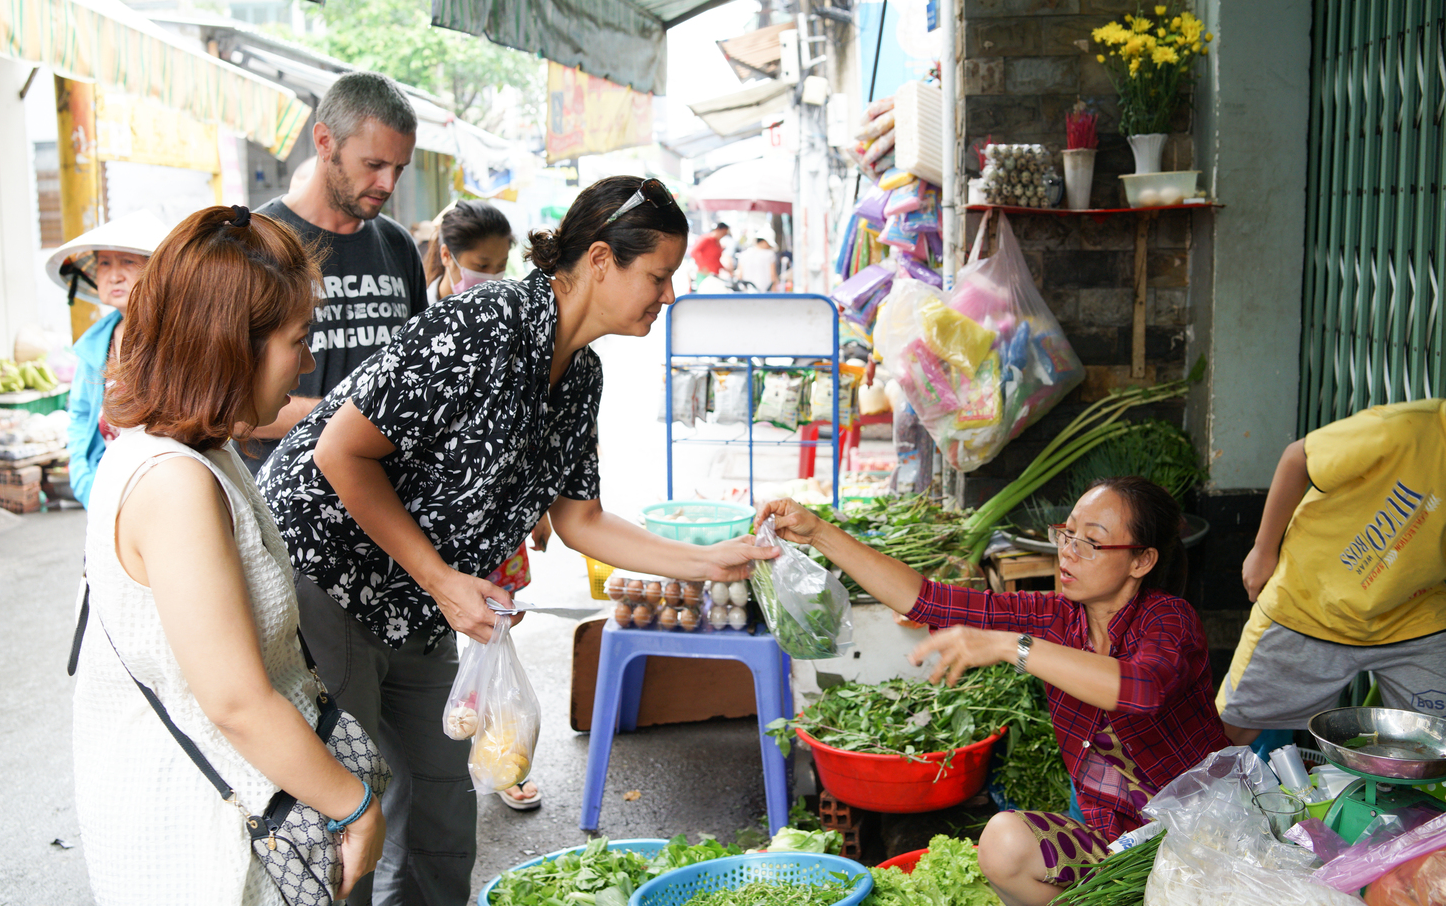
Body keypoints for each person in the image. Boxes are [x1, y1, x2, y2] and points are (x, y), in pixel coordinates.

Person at [258, 176, 779, 906]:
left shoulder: (580, 375)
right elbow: (339, 453)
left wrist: (707, 562)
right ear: (600, 260)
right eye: (658, 277)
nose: (667, 297)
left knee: (445, 801)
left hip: (421, 598)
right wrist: (443, 577)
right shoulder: (485, 322)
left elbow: (580, 520)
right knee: (350, 805)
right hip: (327, 576)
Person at [72, 206, 384, 905]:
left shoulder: (199, 448)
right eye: (298, 341)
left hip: (233, 804)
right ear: (229, 347)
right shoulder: (174, 482)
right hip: (195, 839)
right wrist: (355, 805)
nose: (306, 362)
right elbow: (236, 699)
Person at [759, 477, 1228, 906]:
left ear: (1141, 560)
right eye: (1067, 534)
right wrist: (818, 531)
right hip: (1115, 844)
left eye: (1092, 542)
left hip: (1207, 840)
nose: (1068, 553)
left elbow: (1140, 690)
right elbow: (926, 599)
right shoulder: (1058, 617)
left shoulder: (1168, 619)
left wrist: (1011, 646)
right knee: (1003, 842)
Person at [422, 198, 551, 809]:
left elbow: (524, 427)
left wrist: (542, 504)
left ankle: (502, 756)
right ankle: (448, 754)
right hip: (433, 523)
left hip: (496, 520)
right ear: (448, 257)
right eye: (480, 264)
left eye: (502, 265)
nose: (491, 276)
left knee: (493, 630)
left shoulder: (509, 319)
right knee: (437, 638)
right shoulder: (423, 323)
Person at [1217, 399, 1446, 744]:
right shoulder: (1405, 427)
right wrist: (1263, 550)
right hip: (1308, 605)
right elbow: (1298, 459)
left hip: (1417, 619)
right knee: (1231, 732)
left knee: (1434, 745)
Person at [244, 71, 429, 476]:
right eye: (374, 164)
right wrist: (357, 419)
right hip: (285, 502)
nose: (387, 183)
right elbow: (229, 406)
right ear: (325, 141)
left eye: (399, 168)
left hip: (385, 501)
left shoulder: (399, 246)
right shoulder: (257, 244)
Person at [42, 210, 169, 508]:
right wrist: (85, 482)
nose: (114, 274)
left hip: (165, 488)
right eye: (104, 263)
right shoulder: (94, 344)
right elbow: (81, 415)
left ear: (157, 271)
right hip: (107, 489)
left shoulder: (176, 336)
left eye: (127, 262)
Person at [422, 199, 514, 304]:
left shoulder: (507, 313)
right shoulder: (420, 312)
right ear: (446, 255)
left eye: (501, 265)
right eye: (482, 265)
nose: (492, 277)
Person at [689, 221, 729, 286]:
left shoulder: (718, 243)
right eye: (723, 233)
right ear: (718, 230)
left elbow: (716, 259)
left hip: (714, 275)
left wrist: (725, 269)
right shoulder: (706, 239)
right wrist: (702, 266)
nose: (723, 236)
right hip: (704, 274)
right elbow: (694, 251)